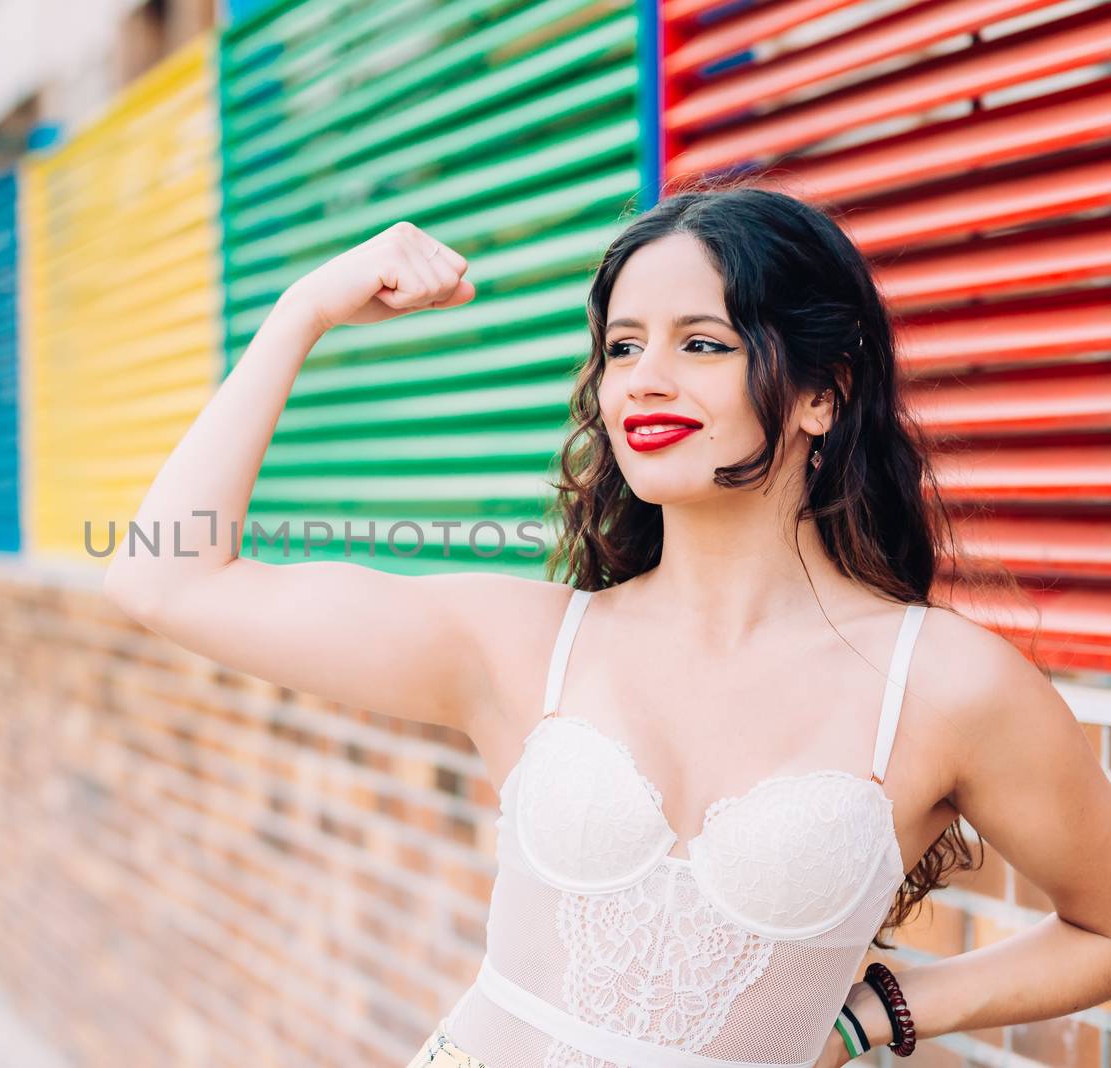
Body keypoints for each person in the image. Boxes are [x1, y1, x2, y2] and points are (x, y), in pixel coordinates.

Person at [102, 181, 1111, 1067]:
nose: (643, 379)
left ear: (821, 394)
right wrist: (301, 313)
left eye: (701, 343)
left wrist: (884, 1011)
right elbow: (164, 584)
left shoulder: (944, 687)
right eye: (622, 347)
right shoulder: (526, 645)